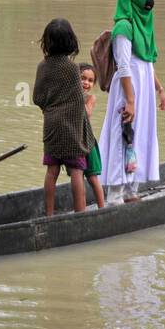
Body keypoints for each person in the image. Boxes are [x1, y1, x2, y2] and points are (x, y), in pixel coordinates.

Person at [99, 0, 165, 204]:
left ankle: (131, 191)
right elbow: (124, 65)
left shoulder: (145, 23)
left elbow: (146, 63)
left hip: (144, 92)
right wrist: (130, 101)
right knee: (124, 136)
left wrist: (160, 89)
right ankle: (115, 195)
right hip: (128, 91)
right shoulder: (124, 26)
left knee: (139, 136)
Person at [33, 18, 100, 216]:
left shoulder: (42, 67)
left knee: (51, 171)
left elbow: (37, 97)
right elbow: (79, 100)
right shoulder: (72, 69)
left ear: (47, 42)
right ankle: (79, 215)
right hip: (72, 128)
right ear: (71, 41)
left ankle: (49, 215)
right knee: (77, 172)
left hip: (52, 126)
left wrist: (50, 109)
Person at [79, 63, 106, 209]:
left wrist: (77, 95)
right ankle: (81, 210)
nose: (86, 83)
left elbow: (87, 113)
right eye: (82, 78)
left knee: (92, 177)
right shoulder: (68, 95)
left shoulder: (90, 98)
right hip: (74, 142)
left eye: (90, 80)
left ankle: (102, 208)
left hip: (88, 142)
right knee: (78, 178)